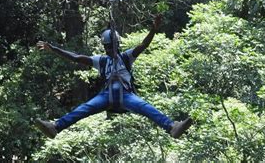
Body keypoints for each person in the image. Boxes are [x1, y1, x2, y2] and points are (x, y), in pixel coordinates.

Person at [35, 15, 193, 139]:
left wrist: (153, 29)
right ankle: (55, 127)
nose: (110, 49)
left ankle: (172, 127)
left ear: (118, 44)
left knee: (147, 108)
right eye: (107, 47)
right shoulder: (101, 61)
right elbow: (76, 57)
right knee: (84, 109)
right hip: (107, 96)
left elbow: (143, 45)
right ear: (104, 47)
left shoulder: (127, 57)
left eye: (113, 46)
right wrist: (53, 49)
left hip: (126, 95)